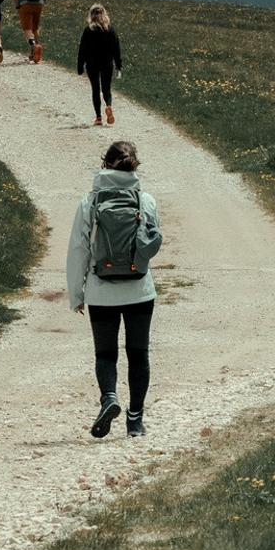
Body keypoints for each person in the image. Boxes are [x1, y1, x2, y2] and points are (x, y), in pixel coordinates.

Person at [65, 138, 163, 439]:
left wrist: (77, 295)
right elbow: (149, 244)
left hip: (101, 291)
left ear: (104, 164)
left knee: (106, 354)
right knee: (138, 353)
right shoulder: (146, 201)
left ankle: (109, 397)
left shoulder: (90, 202)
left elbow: (78, 251)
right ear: (135, 166)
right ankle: (135, 421)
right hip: (139, 290)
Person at [76, 3, 123, 125]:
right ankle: (108, 105)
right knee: (106, 89)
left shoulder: (88, 30)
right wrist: (118, 66)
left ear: (91, 16)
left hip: (92, 64)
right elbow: (116, 49)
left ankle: (98, 117)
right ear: (104, 15)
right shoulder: (110, 30)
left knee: (95, 89)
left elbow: (83, 49)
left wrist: (80, 65)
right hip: (107, 64)